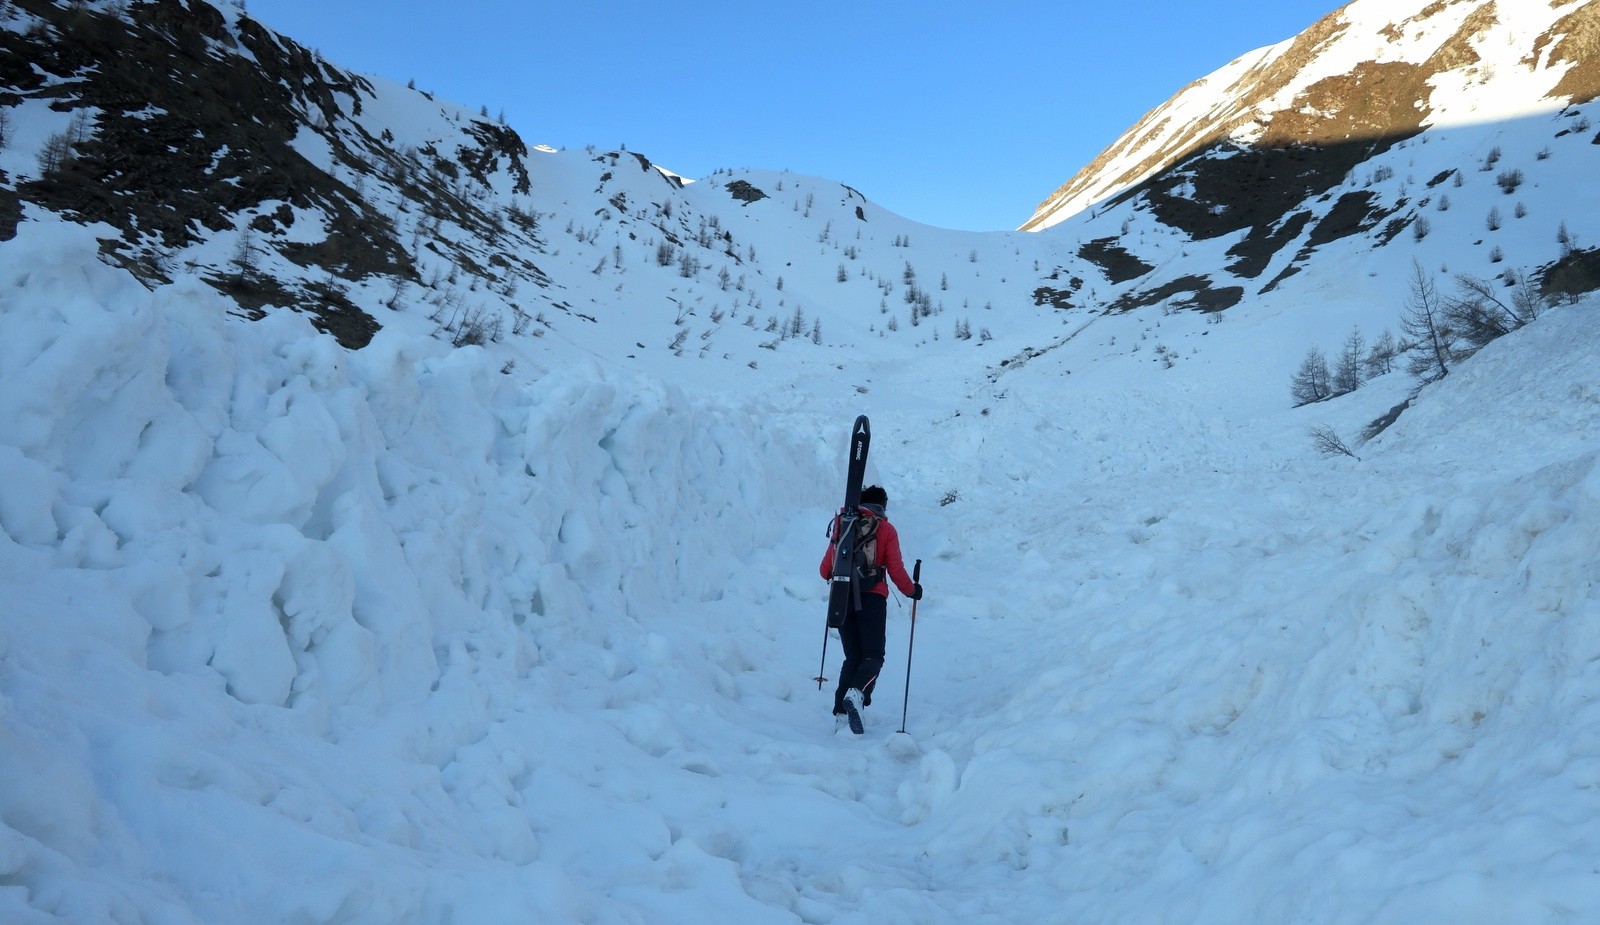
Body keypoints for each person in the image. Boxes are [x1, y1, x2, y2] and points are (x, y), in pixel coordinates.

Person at [818, 484, 922, 732]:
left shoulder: (843, 524)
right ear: (882, 506)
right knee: (873, 656)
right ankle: (857, 694)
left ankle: (841, 716)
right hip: (871, 599)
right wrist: (912, 591)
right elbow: (895, 569)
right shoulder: (885, 529)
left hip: (840, 599)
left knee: (852, 656)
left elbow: (825, 571)